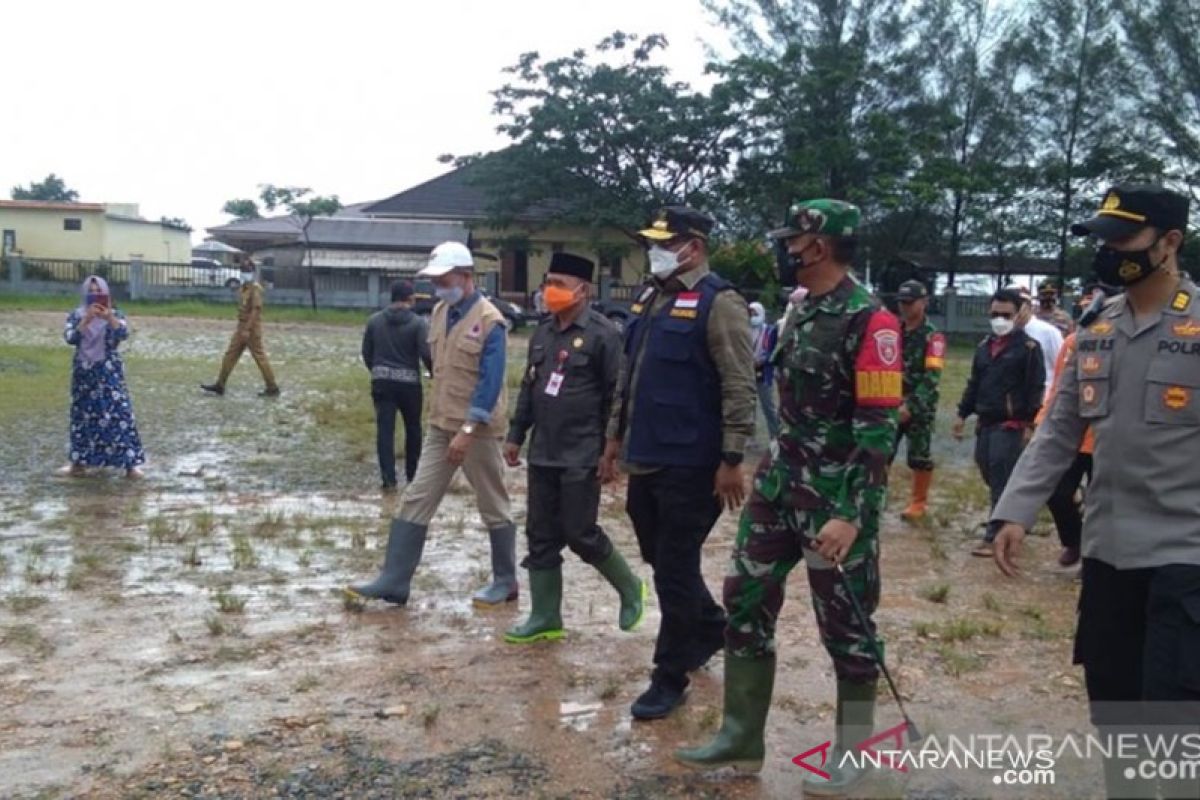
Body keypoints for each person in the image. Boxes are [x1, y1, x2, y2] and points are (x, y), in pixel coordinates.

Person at [676, 200, 903, 796]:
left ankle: (854, 755)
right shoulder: (801, 312)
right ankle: (741, 735)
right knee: (744, 602)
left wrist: (852, 515)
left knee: (847, 629)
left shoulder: (870, 321)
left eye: (792, 243)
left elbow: (879, 431)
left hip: (835, 502)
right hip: (778, 490)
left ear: (818, 246)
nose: (785, 251)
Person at [991, 185, 1200, 800]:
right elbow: (1059, 431)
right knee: (1113, 708)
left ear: (1170, 242)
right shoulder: (1097, 328)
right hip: (1108, 552)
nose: (1109, 252)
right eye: (1103, 239)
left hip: (1187, 555)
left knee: (1174, 713)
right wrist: (1015, 513)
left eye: (1123, 239)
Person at [600, 206, 756, 721]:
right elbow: (629, 376)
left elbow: (739, 382)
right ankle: (711, 623)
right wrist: (613, 440)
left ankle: (670, 677)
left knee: (673, 568)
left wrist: (732, 456)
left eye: (665, 242)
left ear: (695, 245)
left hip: (694, 461)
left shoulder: (720, 303)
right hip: (646, 455)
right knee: (658, 555)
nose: (655, 250)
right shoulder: (651, 298)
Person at [346, 241, 518, 608]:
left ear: (466, 277)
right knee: (417, 496)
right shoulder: (440, 312)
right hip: (441, 426)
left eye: (445, 278)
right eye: (435, 279)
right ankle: (394, 580)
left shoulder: (491, 322)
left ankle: (505, 580)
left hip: (479, 431)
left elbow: (491, 382)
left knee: (492, 503)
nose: (439, 285)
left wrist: (469, 429)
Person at [503, 252, 646, 644]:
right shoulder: (543, 332)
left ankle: (631, 589)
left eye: (559, 285)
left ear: (582, 290)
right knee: (540, 533)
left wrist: (611, 450)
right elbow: (530, 387)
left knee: (580, 531)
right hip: (543, 450)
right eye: (548, 283)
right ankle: (545, 616)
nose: (550, 292)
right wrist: (516, 434)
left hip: (583, 450)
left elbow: (618, 398)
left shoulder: (603, 335)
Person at [952, 288, 1045, 557]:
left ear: (1017, 315)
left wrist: (1029, 423)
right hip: (986, 422)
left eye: (1005, 314)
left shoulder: (1028, 349)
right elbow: (974, 384)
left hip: (1011, 424)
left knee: (1002, 476)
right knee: (988, 472)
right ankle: (1010, 520)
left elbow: (1034, 387)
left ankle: (994, 536)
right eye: (995, 314)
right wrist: (961, 414)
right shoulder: (984, 348)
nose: (999, 319)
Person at [60, 276, 146, 478]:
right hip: (84, 373)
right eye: (90, 291)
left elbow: (123, 334)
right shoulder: (76, 315)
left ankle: (130, 465)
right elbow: (70, 338)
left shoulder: (115, 314)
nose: (94, 294)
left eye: (98, 290)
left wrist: (109, 318)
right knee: (83, 417)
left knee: (119, 414)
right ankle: (78, 463)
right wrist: (86, 320)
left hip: (108, 372)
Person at [361, 280, 432, 491]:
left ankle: (388, 479)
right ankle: (412, 476)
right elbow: (426, 353)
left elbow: (367, 353)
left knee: (385, 431)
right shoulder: (419, 324)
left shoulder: (374, 321)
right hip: (410, 384)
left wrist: (377, 371)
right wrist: (433, 372)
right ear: (410, 299)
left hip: (381, 382)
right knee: (413, 429)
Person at [892, 280, 944, 522]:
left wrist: (910, 405)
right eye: (902, 302)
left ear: (923, 303)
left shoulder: (933, 337)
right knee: (880, 451)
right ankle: (876, 497)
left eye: (910, 302)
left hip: (919, 406)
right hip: (890, 401)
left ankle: (918, 502)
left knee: (919, 455)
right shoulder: (893, 331)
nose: (904, 307)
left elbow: (931, 377)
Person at [201, 260, 279, 397]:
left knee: (260, 357)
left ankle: (272, 387)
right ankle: (220, 384)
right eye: (243, 270)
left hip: (251, 328)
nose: (245, 273)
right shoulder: (243, 288)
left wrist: (247, 330)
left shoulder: (255, 289)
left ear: (253, 272)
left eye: (247, 270)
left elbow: (256, 310)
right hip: (241, 326)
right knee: (230, 355)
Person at [1013, 284, 1063, 402]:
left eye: (1019, 304)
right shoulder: (1006, 334)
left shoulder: (1048, 332)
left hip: (1043, 400)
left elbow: (1061, 367)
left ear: (1028, 305)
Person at [748, 301, 781, 441]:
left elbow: (774, 351)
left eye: (755, 313)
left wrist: (763, 360)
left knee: (768, 407)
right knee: (748, 408)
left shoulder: (770, 330)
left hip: (763, 373)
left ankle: (775, 437)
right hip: (747, 373)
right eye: (751, 314)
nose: (753, 316)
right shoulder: (745, 330)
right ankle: (750, 438)